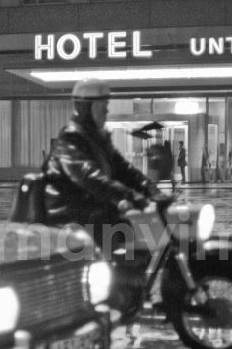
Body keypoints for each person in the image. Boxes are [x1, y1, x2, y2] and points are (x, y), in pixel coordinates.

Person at [43, 77, 166, 236]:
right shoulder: (69, 140)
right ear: (87, 108)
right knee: (138, 238)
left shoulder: (99, 141)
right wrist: (133, 198)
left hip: (93, 214)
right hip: (68, 221)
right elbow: (91, 177)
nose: (107, 111)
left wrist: (153, 192)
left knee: (147, 234)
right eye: (103, 106)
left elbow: (126, 171)